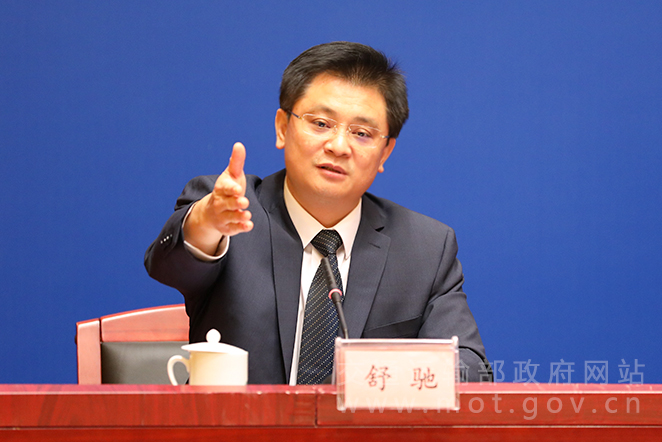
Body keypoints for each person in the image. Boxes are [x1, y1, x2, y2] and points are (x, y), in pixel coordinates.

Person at [145, 41, 490, 384]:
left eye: (362, 133)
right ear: (282, 127)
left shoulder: (424, 249)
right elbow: (168, 267)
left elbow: (472, 370)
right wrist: (207, 222)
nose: (338, 146)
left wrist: (373, 379)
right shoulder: (231, 211)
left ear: (385, 152)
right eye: (322, 123)